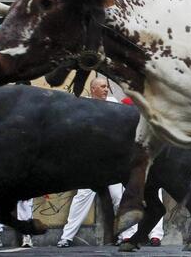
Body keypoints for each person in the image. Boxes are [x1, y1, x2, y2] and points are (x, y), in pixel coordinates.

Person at [57, 77, 159, 247]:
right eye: (102, 87)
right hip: (90, 162)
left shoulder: (114, 103)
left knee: (119, 197)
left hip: (111, 162)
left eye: (106, 87)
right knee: (82, 197)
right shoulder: (85, 105)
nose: (106, 90)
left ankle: (127, 235)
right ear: (93, 89)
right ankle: (66, 237)